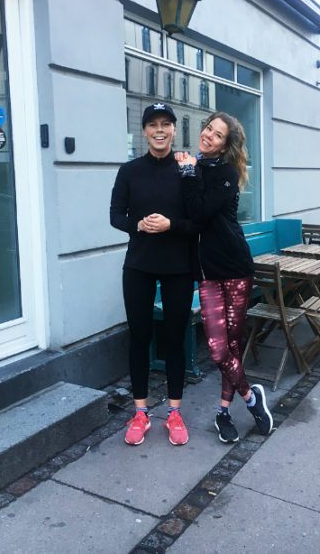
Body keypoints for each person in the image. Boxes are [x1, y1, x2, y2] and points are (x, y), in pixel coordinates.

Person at [176, 112, 273, 443]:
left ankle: (222, 412)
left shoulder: (227, 174)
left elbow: (200, 212)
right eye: (208, 129)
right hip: (206, 275)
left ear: (225, 145)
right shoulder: (192, 169)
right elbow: (188, 215)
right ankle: (251, 398)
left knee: (231, 345)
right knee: (219, 351)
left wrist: (188, 171)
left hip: (235, 269)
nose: (208, 136)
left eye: (217, 135)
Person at [110, 103, 197, 446]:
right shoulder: (129, 170)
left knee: (175, 338)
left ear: (174, 130)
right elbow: (116, 215)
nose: (159, 130)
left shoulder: (187, 170)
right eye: (152, 125)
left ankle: (174, 412)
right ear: (144, 131)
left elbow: (197, 222)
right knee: (140, 337)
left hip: (178, 267)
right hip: (139, 266)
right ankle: (141, 412)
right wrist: (139, 225)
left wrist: (172, 224)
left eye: (166, 124)